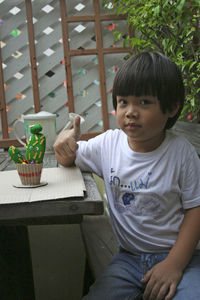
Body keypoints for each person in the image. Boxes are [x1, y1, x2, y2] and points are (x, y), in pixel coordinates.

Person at [53, 52, 200, 300]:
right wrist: (63, 144)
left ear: (172, 107)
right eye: (123, 102)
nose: (130, 112)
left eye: (143, 102)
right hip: (129, 259)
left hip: (183, 258)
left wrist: (174, 265)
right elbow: (70, 156)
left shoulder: (181, 153)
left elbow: (196, 209)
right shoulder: (109, 144)